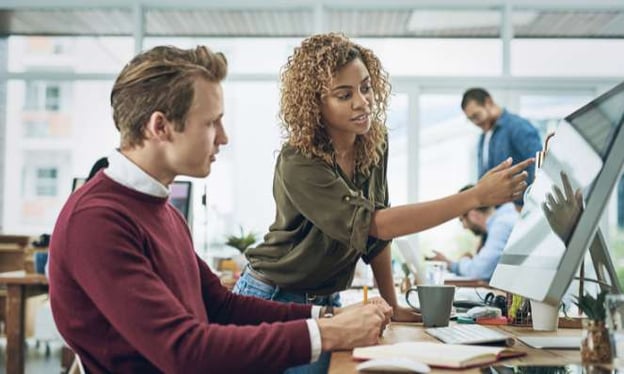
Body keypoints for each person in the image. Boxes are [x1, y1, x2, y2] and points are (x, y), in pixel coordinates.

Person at [48, 45, 394, 374]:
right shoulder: (96, 221)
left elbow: (220, 306)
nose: (223, 137)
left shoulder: (161, 210)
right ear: (160, 127)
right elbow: (182, 350)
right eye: (211, 122)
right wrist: (332, 332)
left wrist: (331, 315)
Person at [234, 33, 532, 372]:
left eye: (366, 87)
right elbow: (375, 222)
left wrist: (393, 303)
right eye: (344, 95)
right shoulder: (298, 160)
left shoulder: (371, 143)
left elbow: (376, 238)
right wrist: (474, 197)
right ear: (316, 104)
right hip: (273, 297)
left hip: (326, 300)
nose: (362, 102)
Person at [461, 87, 542, 208]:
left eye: (476, 115)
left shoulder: (518, 127)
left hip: (521, 209)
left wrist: (527, 205)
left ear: (488, 103)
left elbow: (539, 166)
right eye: (470, 119)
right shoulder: (484, 136)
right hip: (498, 212)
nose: (475, 122)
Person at [429, 184, 519, 281]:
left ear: (472, 215)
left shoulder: (501, 225)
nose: (464, 227)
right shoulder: (504, 220)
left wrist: (451, 264)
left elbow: (479, 271)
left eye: (461, 220)